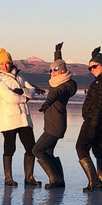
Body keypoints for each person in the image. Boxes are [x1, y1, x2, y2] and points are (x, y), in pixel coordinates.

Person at [0, 47, 43, 187]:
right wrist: (24, 98)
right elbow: (9, 97)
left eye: (7, 63)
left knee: (31, 147)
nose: (5, 66)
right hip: (9, 119)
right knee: (10, 148)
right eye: (2, 64)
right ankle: (8, 178)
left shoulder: (19, 76)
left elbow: (32, 91)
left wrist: (22, 91)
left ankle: (29, 177)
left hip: (24, 118)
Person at [33, 42, 77, 189]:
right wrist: (57, 53)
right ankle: (59, 180)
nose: (52, 72)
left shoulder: (64, 86)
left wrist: (47, 103)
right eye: (50, 70)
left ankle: (55, 179)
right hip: (51, 124)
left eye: (55, 70)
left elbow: (57, 94)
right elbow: (59, 64)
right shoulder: (58, 81)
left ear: (62, 71)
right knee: (48, 151)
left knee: (37, 150)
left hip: (56, 125)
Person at [76, 46, 102, 192]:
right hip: (95, 118)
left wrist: (94, 122)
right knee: (97, 148)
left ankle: (94, 180)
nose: (92, 70)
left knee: (81, 147)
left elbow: (99, 103)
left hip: (93, 119)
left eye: (95, 66)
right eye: (90, 68)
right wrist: (95, 55)